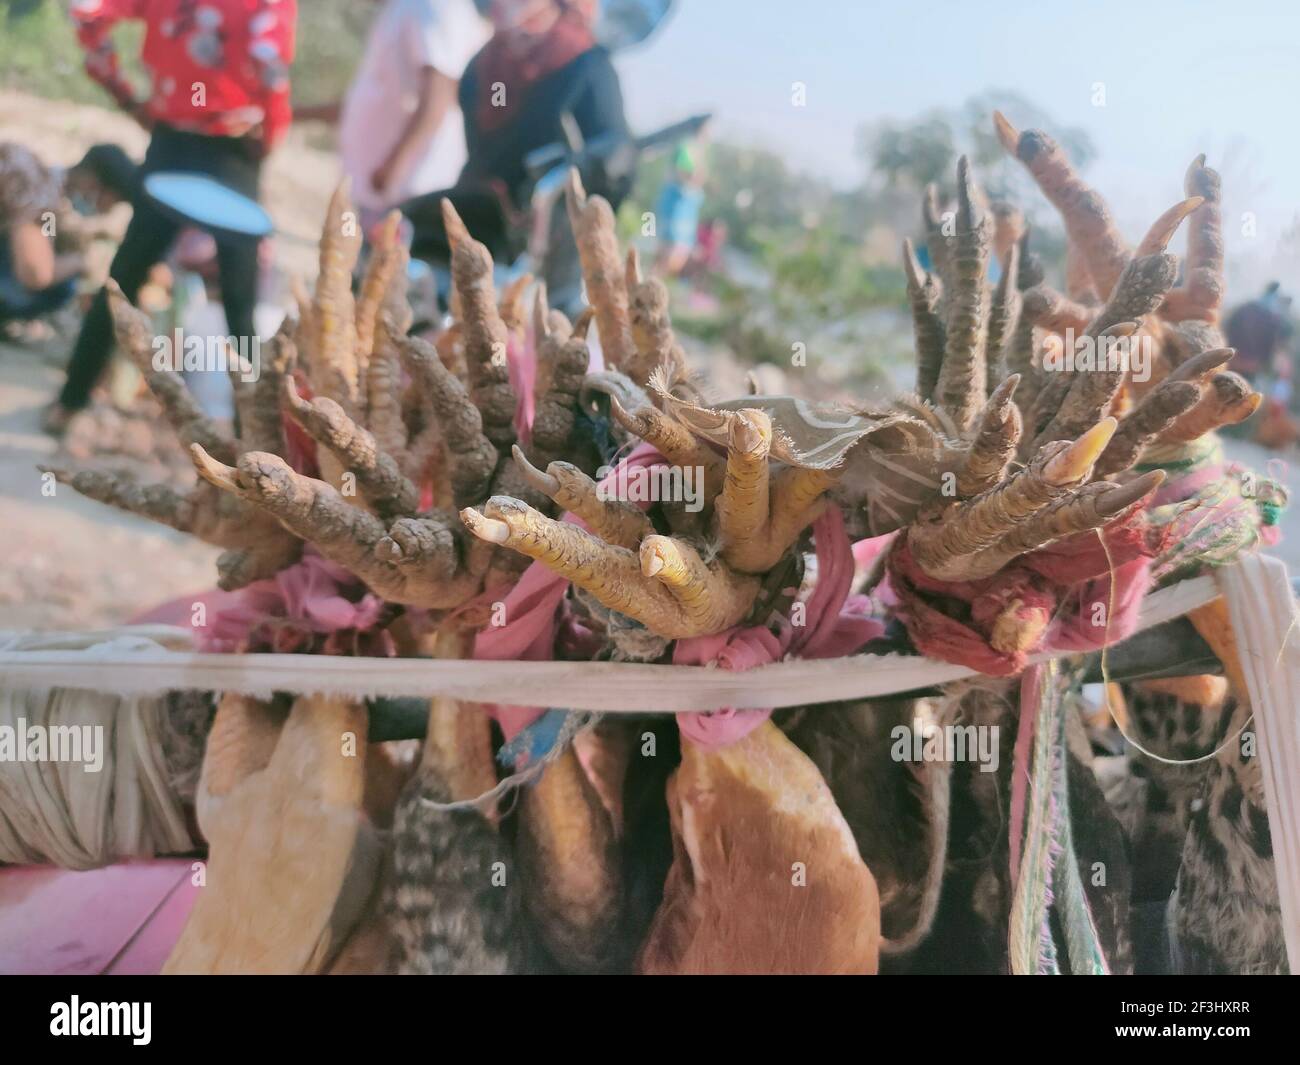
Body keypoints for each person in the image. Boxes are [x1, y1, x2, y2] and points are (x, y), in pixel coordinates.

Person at [46, 0, 298, 433]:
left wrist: (126, 95)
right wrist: (272, 134)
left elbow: (87, 12)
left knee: (122, 282)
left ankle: (69, 404)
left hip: (171, 146)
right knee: (241, 307)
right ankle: (253, 441)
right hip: (237, 152)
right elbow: (270, 65)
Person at [404, 0, 630, 264]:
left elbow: (614, 154)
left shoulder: (585, 63)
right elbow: (478, 151)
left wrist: (583, 174)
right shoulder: (483, 64)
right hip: (472, 223)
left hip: (543, 248)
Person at [296, 0, 489, 233]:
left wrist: (391, 169)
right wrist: (291, 115)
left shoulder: (434, 5)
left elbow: (438, 94)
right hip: (376, 192)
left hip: (402, 196)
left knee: (383, 266)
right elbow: (368, 99)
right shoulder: (405, 7)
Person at [0, 141, 136, 328]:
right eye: (106, 204)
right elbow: (36, 274)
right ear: (93, 184)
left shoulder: (41, 180)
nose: (102, 211)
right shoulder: (40, 195)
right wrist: (83, 262)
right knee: (62, 288)